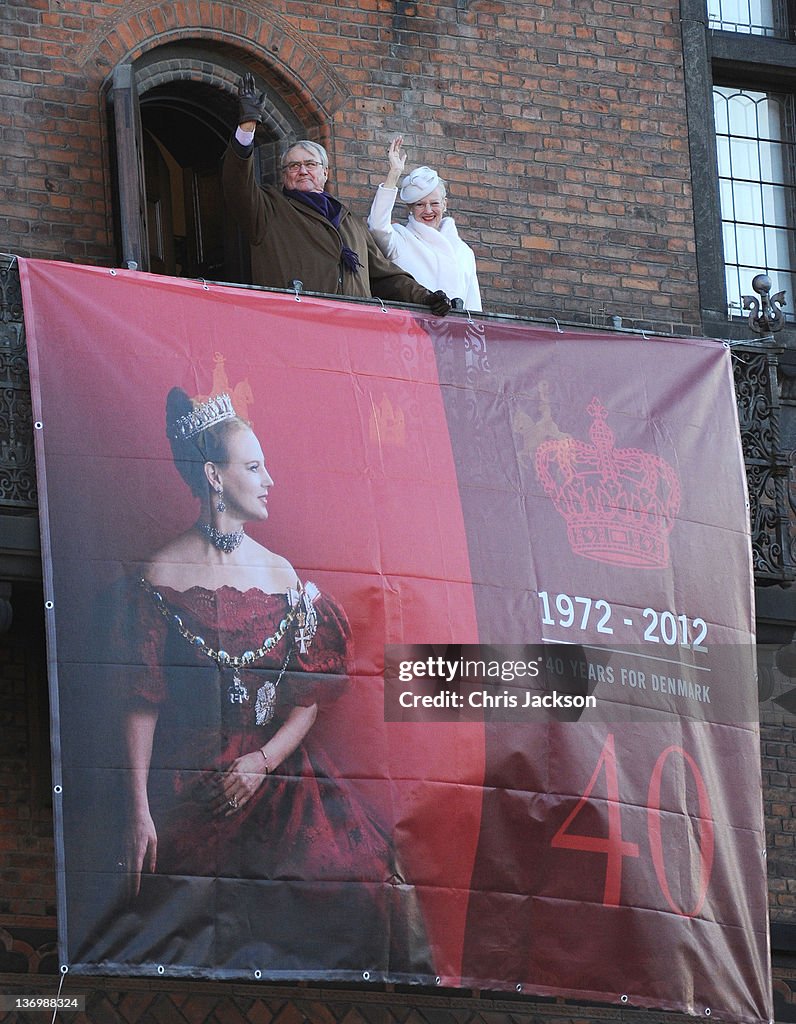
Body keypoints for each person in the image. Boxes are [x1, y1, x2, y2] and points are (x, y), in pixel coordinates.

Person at [117, 388, 429, 975]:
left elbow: (307, 696)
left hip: (277, 773)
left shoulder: (281, 575)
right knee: (187, 910)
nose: (269, 481)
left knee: (366, 881)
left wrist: (262, 761)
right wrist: (139, 810)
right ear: (214, 475)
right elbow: (142, 701)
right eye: (254, 467)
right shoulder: (158, 574)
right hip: (191, 780)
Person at [222, 75, 450, 314]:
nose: (302, 171)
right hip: (297, 327)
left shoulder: (350, 221)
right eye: (293, 166)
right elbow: (237, 186)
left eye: (310, 164)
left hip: (354, 330)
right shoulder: (268, 208)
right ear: (283, 175)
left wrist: (426, 297)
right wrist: (246, 129)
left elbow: (383, 276)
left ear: (325, 172)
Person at [368, 136, 482, 311]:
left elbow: (474, 309)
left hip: (454, 336)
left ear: (445, 204)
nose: (428, 210)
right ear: (410, 209)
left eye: (434, 203)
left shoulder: (464, 252)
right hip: (411, 333)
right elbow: (377, 226)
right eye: (420, 204)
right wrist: (394, 174)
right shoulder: (401, 239)